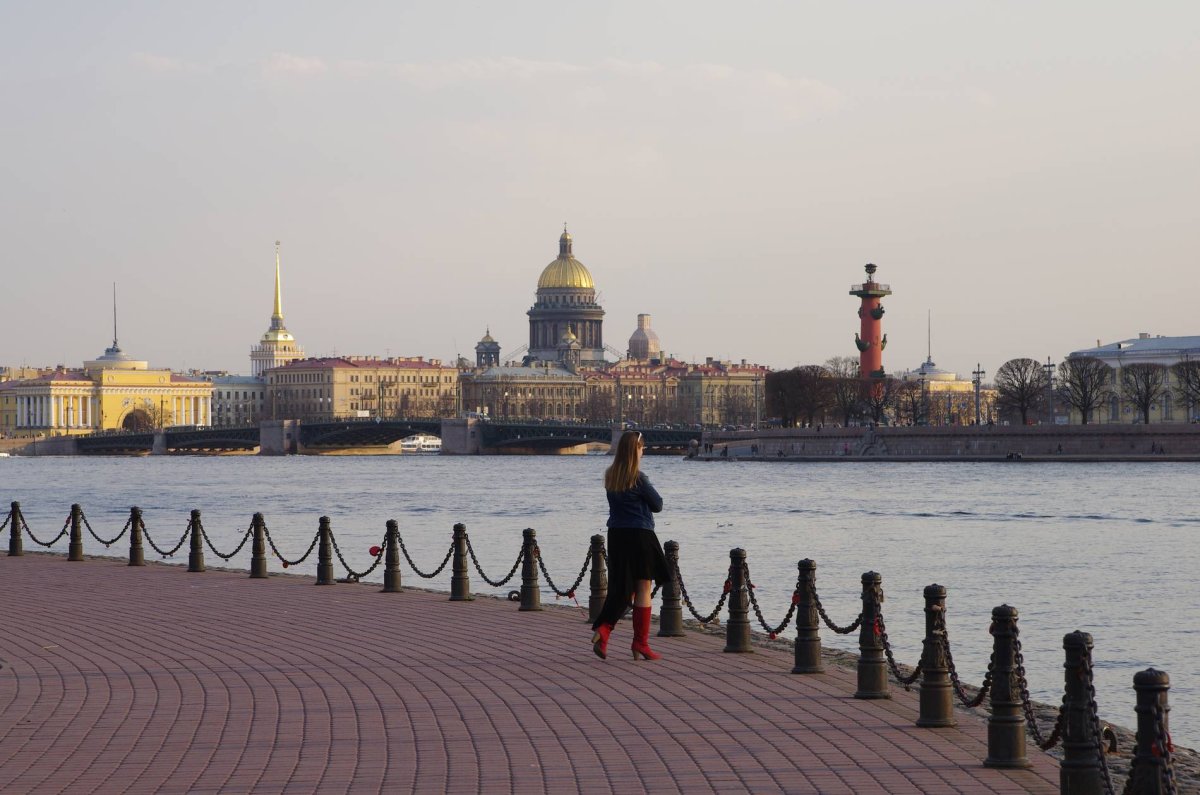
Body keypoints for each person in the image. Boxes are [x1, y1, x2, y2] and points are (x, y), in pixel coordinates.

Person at [591, 430, 668, 661]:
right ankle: (640, 644)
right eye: (642, 447)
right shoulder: (639, 478)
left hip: (616, 535)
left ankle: (604, 630)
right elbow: (658, 505)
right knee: (643, 588)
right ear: (635, 450)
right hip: (640, 535)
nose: (643, 451)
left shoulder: (611, 476)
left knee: (621, 587)